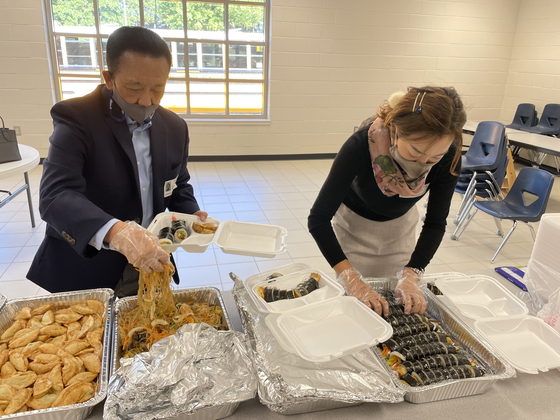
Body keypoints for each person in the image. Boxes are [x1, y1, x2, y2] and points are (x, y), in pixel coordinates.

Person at [27, 26, 206, 295]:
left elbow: (178, 184)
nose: (146, 100)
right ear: (109, 79)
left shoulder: (175, 127)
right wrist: (117, 232)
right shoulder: (77, 118)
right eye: (134, 87)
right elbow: (56, 195)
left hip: (149, 260)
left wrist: (191, 213)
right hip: (88, 265)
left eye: (158, 88)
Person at [308, 86, 466, 316]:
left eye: (434, 157)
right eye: (414, 151)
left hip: (400, 226)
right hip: (355, 224)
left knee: (395, 298)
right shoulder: (361, 145)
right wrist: (351, 279)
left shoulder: (450, 157)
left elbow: (435, 222)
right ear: (395, 129)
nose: (422, 163)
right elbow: (318, 219)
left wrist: (412, 274)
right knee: (356, 306)